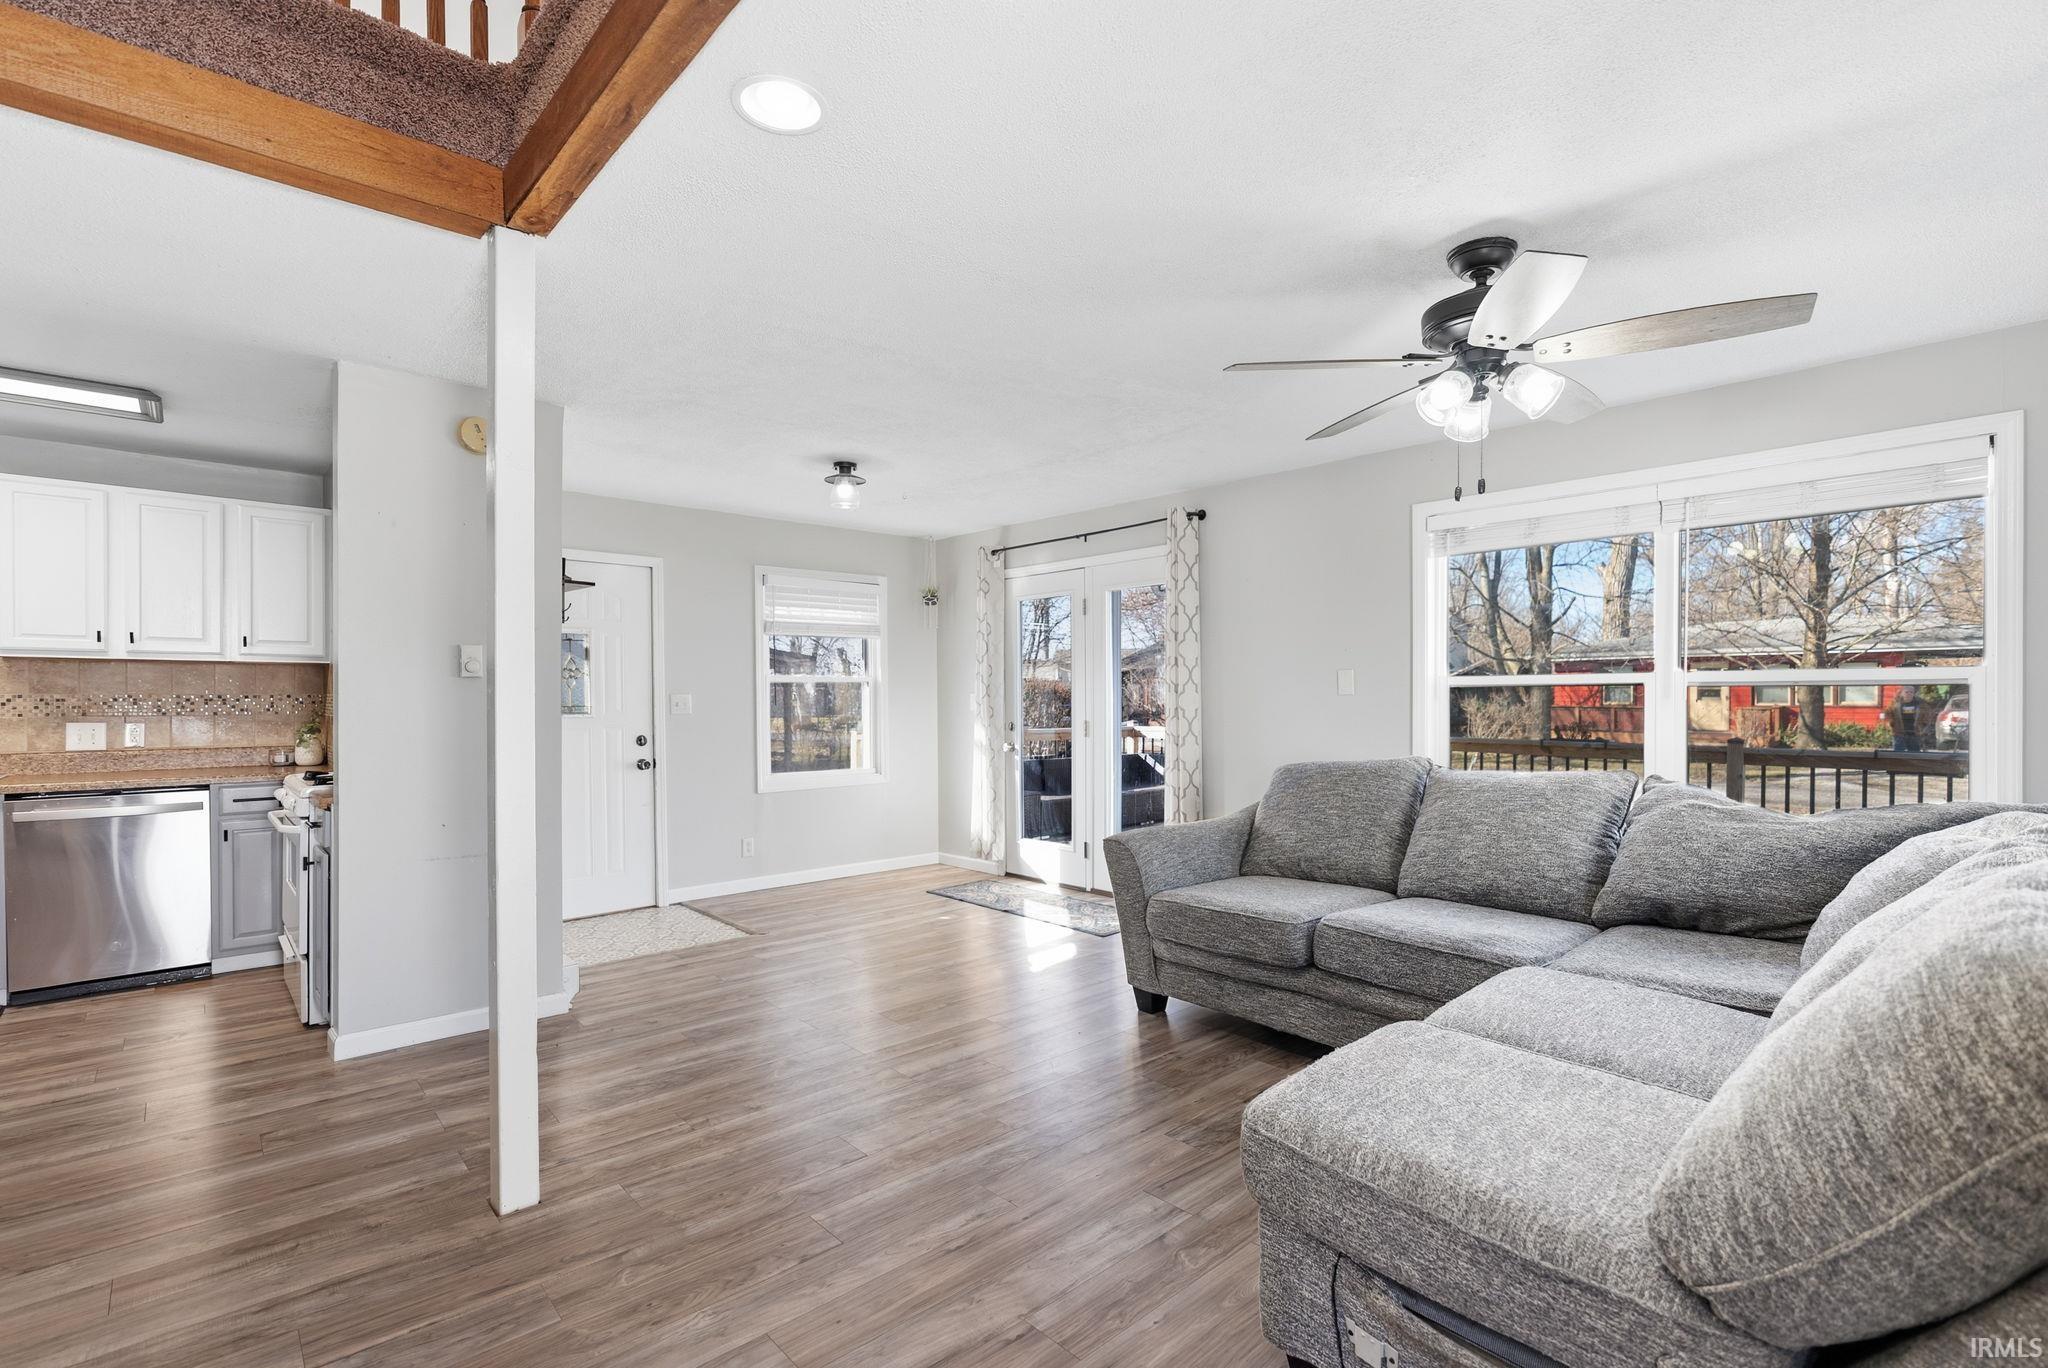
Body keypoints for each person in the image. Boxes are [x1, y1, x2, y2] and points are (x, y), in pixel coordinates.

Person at [1887, 684, 1925, 752]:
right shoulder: (1895, 704)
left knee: (1915, 755)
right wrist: (1891, 724)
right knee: (1898, 754)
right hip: (1899, 734)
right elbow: (1888, 714)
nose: (1909, 694)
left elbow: (1926, 716)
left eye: (1911, 692)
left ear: (1914, 693)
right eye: (1906, 692)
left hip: (1914, 734)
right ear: (1902, 693)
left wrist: (1923, 727)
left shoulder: (1920, 704)